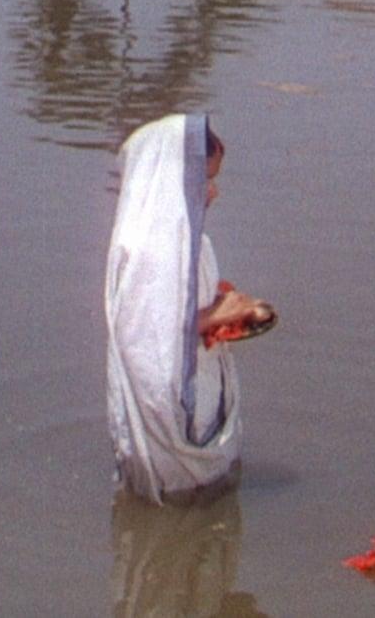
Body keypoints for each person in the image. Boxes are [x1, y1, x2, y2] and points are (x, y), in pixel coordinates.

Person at [105, 113, 275, 504]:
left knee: (203, 502)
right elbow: (147, 340)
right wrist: (222, 314)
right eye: (206, 180)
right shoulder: (150, 250)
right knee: (183, 507)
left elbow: (175, 313)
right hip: (165, 414)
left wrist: (222, 309)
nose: (213, 193)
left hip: (194, 394)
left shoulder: (183, 239)